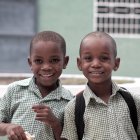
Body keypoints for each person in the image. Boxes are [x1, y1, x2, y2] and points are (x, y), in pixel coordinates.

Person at [61, 31, 140, 140]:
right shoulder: (74, 109)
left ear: (116, 64)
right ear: (79, 64)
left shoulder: (134, 102)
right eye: (88, 58)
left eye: (104, 58)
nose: (96, 64)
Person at [0, 31, 73, 140]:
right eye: (39, 61)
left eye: (54, 60)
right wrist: (8, 128)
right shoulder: (15, 90)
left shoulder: (69, 101)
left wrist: (55, 123)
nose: (46, 67)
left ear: (65, 62)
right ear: (30, 63)